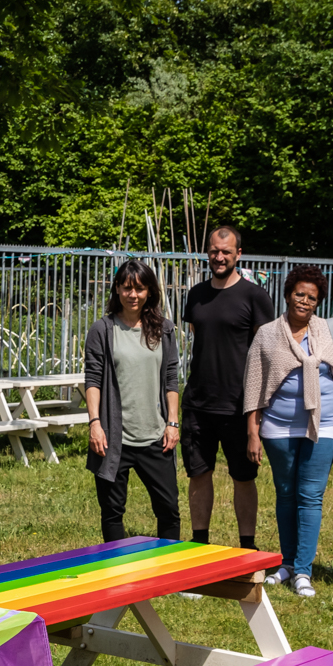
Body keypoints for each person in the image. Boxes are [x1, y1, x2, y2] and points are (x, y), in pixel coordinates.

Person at [243, 264, 333, 598]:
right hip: (277, 428)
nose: (305, 301)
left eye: (312, 297)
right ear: (288, 294)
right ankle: (288, 562)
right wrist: (253, 431)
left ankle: (303, 571)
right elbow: (253, 384)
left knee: (310, 496)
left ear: (318, 301)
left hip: (323, 426)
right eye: (299, 294)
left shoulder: (330, 331)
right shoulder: (266, 333)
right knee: (285, 493)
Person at [179, 226, 274, 548]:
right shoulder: (196, 295)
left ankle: (247, 547)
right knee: (198, 475)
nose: (219, 257)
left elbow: (265, 353)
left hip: (239, 406)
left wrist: (256, 415)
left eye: (226, 252)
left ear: (238, 255)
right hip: (198, 403)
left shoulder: (255, 296)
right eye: (214, 251)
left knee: (243, 478)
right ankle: (198, 545)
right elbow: (198, 335)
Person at [84, 259, 182, 541]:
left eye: (139, 288)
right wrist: (95, 423)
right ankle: (117, 576)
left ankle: (167, 574)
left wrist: (173, 423)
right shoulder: (102, 330)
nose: (133, 295)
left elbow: (171, 378)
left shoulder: (163, 329)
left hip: (155, 436)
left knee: (168, 509)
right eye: (126, 288)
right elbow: (92, 379)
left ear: (150, 291)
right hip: (115, 438)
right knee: (113, 511)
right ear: (117, 289)